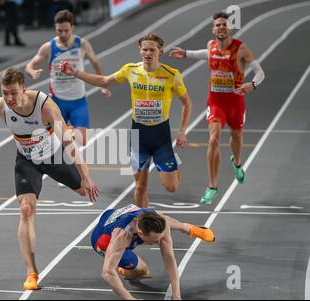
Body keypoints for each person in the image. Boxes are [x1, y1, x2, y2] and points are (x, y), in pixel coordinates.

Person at [0, 67, 99, 290]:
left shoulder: (45, 106)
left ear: (24, 88)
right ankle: (31, 273)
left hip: (54, 157)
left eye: (14, 93)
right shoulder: (1, 105)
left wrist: (86, 176)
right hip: (27, 161)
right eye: (5, 93)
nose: (9, 98)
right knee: (26, 210)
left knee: (86, 192)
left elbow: (69, 146)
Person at [60, 33, 193, 208]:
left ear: (160, 51)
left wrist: (182, 131)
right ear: (140, 50)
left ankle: (173, 168)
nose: (148, 53)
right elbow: (104, 80)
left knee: (172, 187)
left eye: (152, 49)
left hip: (161, 137)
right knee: (140, 187)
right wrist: (75, 72)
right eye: (144, 49)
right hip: (139, 137)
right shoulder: (130, 70)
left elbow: (187, 102)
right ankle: (141, 224)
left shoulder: (172, 75)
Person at [169, 11, 265, 204]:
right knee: (213, 139)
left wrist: (251, 85)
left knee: (236, 137)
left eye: (224, 24)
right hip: (215, 102)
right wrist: (186, 54)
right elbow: (207, 54)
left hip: (236, 102)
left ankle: (237, 163)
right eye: (218, 25)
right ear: (213, 29)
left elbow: (260, 72)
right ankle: (212, 186)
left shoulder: (241, 49)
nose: (221, 27)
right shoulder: (211, 46)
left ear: (230, 27)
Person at [91, 204, 215, 300]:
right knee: (142, 270)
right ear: (140, 233)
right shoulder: (121, 236)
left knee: (164, 219)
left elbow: (169, 258)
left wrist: (177, 295)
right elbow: (107, 273)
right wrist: (130, 298)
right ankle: (125, 268)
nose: (158, 242)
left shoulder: (160, 221)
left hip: (120, 216)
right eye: (155, 240)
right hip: (102, 240)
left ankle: (188, 228)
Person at [26, 9, 111, 146]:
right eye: (60, 30)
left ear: (72, 27)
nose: (63, 34)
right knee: (56, 144)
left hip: (78, 101)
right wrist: (31, 71)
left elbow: (96, 62)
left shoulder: (82, 44)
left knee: (82, 140)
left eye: (66, 30)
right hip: (57, 102)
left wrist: (102, 84)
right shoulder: (49, 47)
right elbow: (30, 64)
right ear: (55, 28)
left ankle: (67, 133)